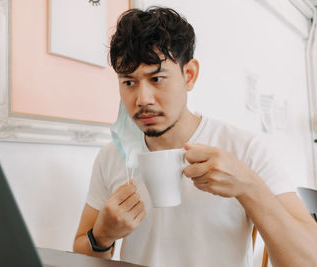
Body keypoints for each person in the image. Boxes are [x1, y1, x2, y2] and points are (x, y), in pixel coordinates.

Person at [73, 7, 317, 267]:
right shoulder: (111, 156)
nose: (142, 99)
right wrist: (101, 236)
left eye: (156, 79)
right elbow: (79, 252)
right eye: (129, 82)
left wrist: (249, 186)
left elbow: (308, 259)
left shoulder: (245, 149)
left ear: (189, 75)